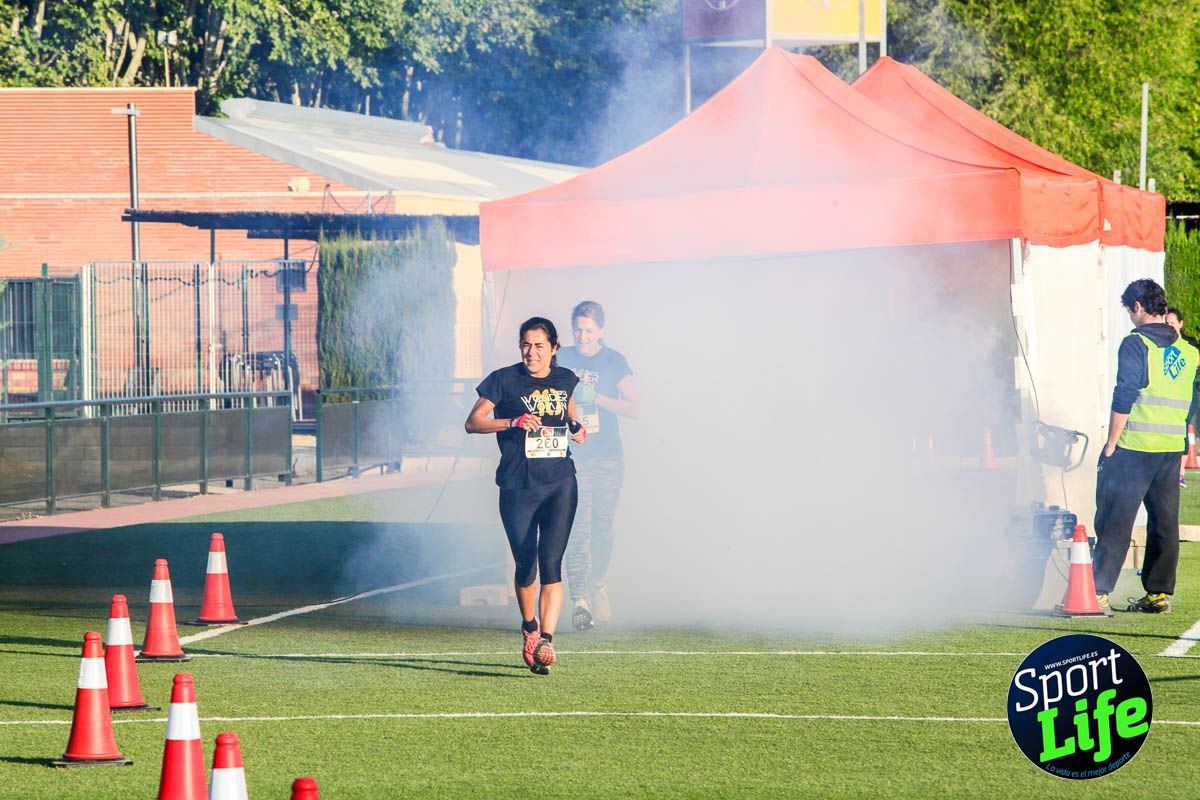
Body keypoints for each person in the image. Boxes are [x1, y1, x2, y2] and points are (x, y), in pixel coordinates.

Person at [465, 317, 586, 673]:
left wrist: (577, 430)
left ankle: (546, 641)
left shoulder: (565, 380)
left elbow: (571, 416)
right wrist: (512, 422)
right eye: (525, 345)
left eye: (538, 346)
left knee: (552, 562)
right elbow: (473, 422)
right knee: (525, 564)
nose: (531, 353)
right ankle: (529, 626)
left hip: (560, 482)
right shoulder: (503, 380)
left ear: (553, 349)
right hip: (517, 485)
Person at [1093, 280, 1198, 614]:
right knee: (1164, 521)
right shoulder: (1189, 351)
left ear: (1138, 306)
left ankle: (1098, 592)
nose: (1129, 317)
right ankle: (1157, 594)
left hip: (1135, 446)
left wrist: (1111, 443)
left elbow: (1125, 393)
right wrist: (1182, 447)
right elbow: (1189, 402)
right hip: (1169, 447)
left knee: (1115, 520)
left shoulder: (1135, 343)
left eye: (1129, 310)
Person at [556, 301, 639, 630]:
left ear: (601, 331)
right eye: (578, 329)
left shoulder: (613, 360)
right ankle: (580, 599)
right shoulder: (562, 358)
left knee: (602, 528)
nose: (583, 336)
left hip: (607, 457)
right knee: (578, 527)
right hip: (574, 457)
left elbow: (634, 408)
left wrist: (596, 398)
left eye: (589, 330)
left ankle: (599, 585)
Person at [1166, 306, 1199, 488]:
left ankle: (1180, 473)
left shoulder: (1190, 345)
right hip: (1168, 393)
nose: (1170, 326)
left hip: (1186, 392)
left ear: (1180, 323)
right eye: (1166, 323)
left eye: (1172, 323)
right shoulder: (1162, 344)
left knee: (1184, 428)